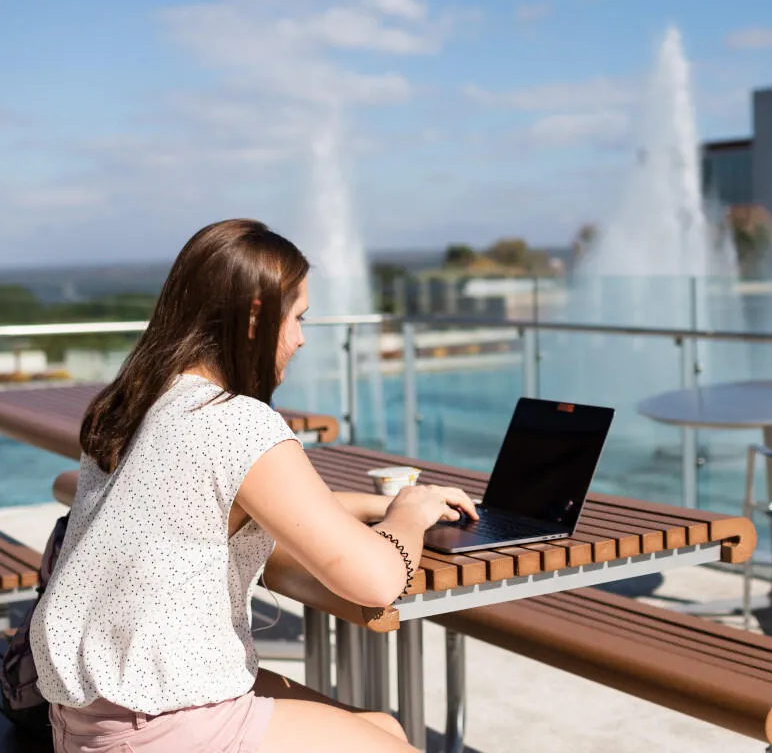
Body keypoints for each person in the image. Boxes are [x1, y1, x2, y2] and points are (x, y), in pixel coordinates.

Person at [29, 219, 478, 753]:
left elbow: (241, 503)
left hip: (93, 713)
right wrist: (407, 517)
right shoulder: (234, 420)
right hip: (159, 726)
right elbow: (376, 581)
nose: (303, 337)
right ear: (256, 319)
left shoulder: (138, 402)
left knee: (386, 729)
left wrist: (382, 504)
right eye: (298, 318)